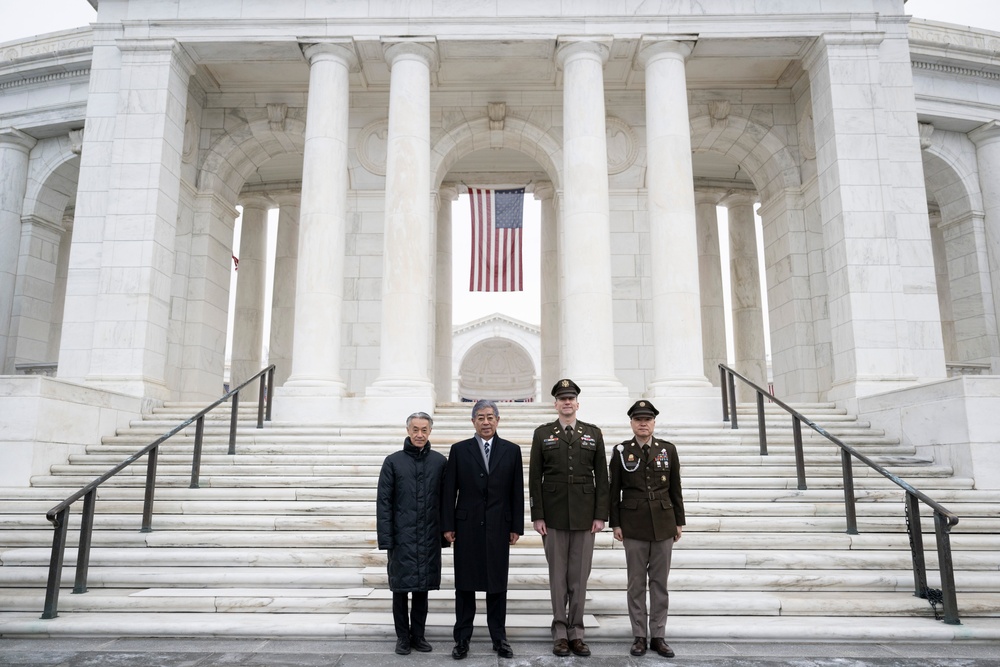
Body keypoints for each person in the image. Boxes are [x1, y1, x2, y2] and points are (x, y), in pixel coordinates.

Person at [528, 378, 609, 657]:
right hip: (553, 516)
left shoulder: (593, 434)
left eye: (571, 398)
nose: (566, 402)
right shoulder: (542, 434)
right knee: (557, 578)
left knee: (579, 578)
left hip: (586, 517)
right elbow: (534, 478)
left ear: (577, 403)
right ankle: (560, 632)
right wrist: (537, 515)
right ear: (555, 403)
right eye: (562, 398)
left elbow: (603, 477)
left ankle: (577, 632)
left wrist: (601, 515)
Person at [440, 399, 524, 660]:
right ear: (473, 421)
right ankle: (462, 639)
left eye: (490, 417)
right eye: (480, 417)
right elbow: (448, 491)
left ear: (497, 420)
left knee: (497, 585)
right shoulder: (459, 450)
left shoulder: (511, 450)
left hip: (499, 527)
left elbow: (516, 492)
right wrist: (448, 525)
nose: (485, 422)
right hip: (466, 528)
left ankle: (499, 638)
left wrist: (516, 526)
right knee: (465, 586)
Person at [608, 400, 685, 659]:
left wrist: (679, 521)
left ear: (654, 422)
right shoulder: (621, 451)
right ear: (631, 422)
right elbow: (613, 491)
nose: (643, 423)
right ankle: (639, 636)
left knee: (660, 584)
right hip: (633, 525)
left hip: (663, 524)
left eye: (648, 419)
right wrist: (615, 523)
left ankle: (659, 636)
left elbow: (675, 488)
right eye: (638, 419)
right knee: (636, 584)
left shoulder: (667, 449)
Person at [376, 412, 447, 656]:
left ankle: (418, 635)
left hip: (428, 536)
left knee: (422, 589)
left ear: (430, 432)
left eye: (424, 430)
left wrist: (443, 536)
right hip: (401, 538)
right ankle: (402, 637)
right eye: (415, 429)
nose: (419, 434)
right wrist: (387, 539)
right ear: (408, 430)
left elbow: (445, 501)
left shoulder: (439, 462)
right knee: (400, 590)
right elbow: (383, 503)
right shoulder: (393, 462)